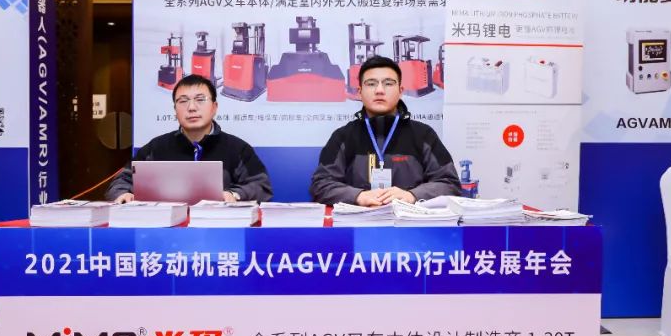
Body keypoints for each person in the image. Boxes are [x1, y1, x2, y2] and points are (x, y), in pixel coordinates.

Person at [310, 56, 461, 206]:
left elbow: (449, 184)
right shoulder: (342, 137)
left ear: (400, 91)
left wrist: (412, 195)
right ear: (359, 92)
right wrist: (358, 196)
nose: (380, 90)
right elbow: (321, 185)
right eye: (371, 84)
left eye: (388, 83)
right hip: (360, 219)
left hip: (409, 220)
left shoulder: (423, 135)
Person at [106, 74, 272, 203]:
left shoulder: (237, 149)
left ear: (214, 107)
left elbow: (261, 187)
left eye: (200, 100)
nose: (192, 107)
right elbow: (121, 181)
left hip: (220, 231)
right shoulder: (156, 148)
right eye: (183, 101)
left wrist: (234, 195)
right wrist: (122, 194)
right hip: (166, 232)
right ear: (175, 110)